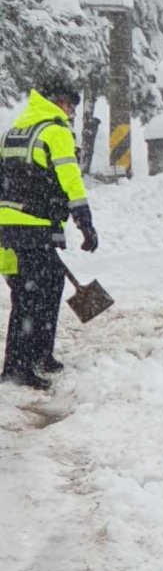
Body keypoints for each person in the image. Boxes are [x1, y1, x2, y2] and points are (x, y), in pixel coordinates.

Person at [0, 77, 99, 389]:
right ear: (58, 102)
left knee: (43, 287)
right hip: (33, 224)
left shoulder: (12, 133)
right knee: (32, 297)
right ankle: (17, 367)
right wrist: (85, 222)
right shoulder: (56, 132)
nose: (71, 111)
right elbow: (71, 180)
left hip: (7, 229)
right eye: (70, 104)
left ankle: (41, 354)